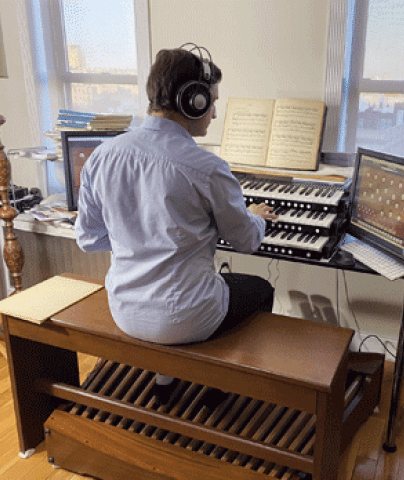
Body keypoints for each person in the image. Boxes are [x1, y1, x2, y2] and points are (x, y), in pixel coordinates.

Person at [75, 44, 277, 403]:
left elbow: (89, 239)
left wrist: (136, 235)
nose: (214, 114)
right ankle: (221, 390)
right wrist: (256, 218)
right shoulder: (207, 168)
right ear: (193, 102)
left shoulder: (102, 156)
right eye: (212, 102)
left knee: (214, 285)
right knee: (260, 289)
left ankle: (165, 383)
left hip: (124, 307)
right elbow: (246, 241)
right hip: (188, 316)